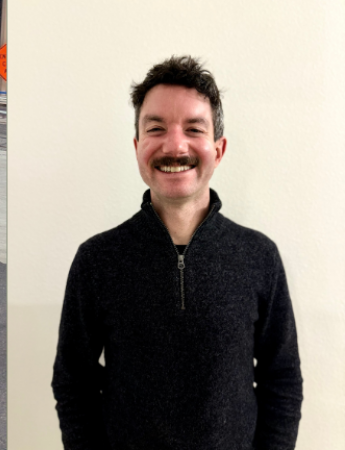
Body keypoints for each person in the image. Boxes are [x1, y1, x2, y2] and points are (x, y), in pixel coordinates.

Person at [50, 55, 302, 450]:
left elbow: (282, 379)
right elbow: (73, 382)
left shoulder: (259, 257)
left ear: (218, 149)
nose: (174, 145)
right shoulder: (98, 260)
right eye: (156, 128)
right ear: (137, 147)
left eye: (193, 128)